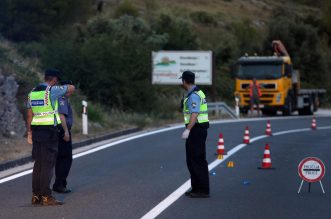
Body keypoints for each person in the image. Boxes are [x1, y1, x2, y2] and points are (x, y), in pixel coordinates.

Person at [26, 69, 75, 206]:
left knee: (38, 164)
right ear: (53, 80)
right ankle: (46, 196)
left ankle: (36, 196)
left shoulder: (32, 93)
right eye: (56, 81)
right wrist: (64, 86)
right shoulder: (51, 91)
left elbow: (30, 115)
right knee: (48, 164)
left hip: (36, 132)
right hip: (49, 132)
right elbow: (71, 88)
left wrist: (29, 132)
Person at [180, 71, 210, 198]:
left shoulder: (194, 95)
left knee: (196, 160)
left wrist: (188, 129)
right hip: (197, 130)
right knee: (192, 159)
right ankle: (196, 187)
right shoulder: (195, 92)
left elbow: (194, 114)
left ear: (184, 81)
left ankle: (202, 189)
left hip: (196, 130)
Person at [53, 81, 74, 194]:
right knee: (65, 158)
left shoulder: (59, 97)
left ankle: (59, 183)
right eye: (70, 91)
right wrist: (66, 132)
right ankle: (59, 184)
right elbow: (61, 116)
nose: (71, 94)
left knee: (61, 158)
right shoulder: (61, 98)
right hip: (62, 131)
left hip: (58, 130)